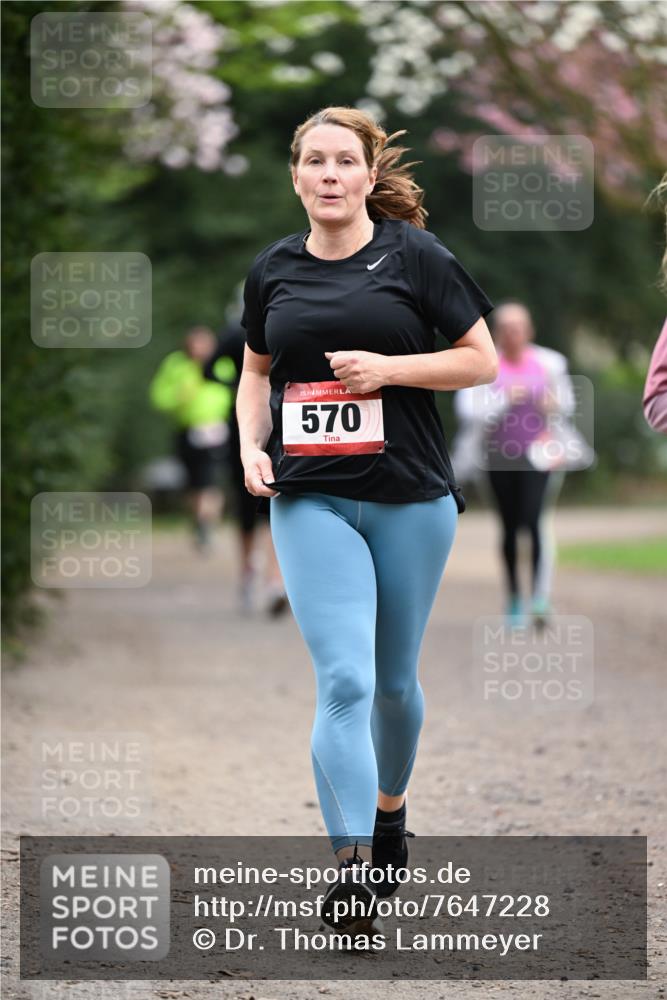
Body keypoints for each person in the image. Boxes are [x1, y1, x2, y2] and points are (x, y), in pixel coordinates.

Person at [235, 106, 497, 940]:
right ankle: (349, 867)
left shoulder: (415, 256)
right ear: (295, 176)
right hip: (309, 497)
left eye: (343, 161)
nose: (328, 175)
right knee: (343, 681)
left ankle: (391, 812)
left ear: (366, 173)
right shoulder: (271, 269)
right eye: (313, 161)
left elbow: (478, 359)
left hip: (410, 497)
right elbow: (254, 374)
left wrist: (389, 368)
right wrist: (251, 444)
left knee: (392, 684)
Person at [453, 302, 589, 628]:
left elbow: (567, 405)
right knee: (511, 527)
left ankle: (540, 598)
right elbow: (468, 412)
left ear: (529, 330)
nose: (514, 333)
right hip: (496, 457)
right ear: (498, 333)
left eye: (519, 327)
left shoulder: (550, 363)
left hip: (540, 455)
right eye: (507, 327)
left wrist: (552, 404)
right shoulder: (485, 363)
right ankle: (514, 597)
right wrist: (504, 399)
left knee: (534, 521)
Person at [204, 315, 289, 615]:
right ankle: (251, 575)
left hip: (286, 420)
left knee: (279, 501)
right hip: (245, 426)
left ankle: (274, 580)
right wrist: (238, 383)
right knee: (248, 504)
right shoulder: (235, 334)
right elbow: (207, 368)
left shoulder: (292, 320)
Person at [149, 326, 233, 552]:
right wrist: (178, 396)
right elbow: (158, 397)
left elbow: (235, 389)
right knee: (192, 482)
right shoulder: (176, 365)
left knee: (211, 479)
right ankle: (198, 519)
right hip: (186, 430)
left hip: (215, 428)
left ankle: (207, 523)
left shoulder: (223, 363)